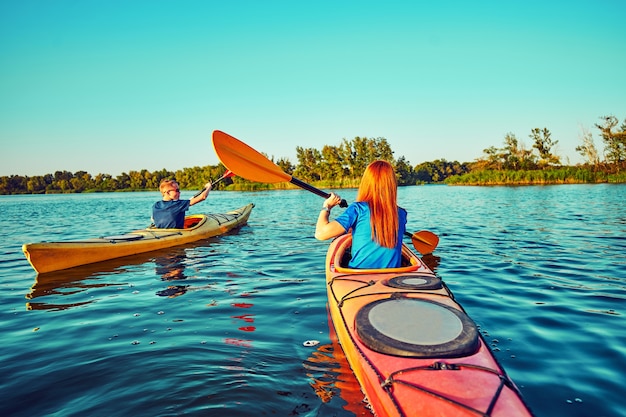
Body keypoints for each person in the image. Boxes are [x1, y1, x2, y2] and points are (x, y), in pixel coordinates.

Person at [315, 160, 407, 269]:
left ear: (367, 183)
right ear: (392, 184)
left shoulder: (358, 209)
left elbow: (320, 234)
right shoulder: (401, 213)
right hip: (392, 278)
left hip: (359, 275)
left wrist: (327, 207)